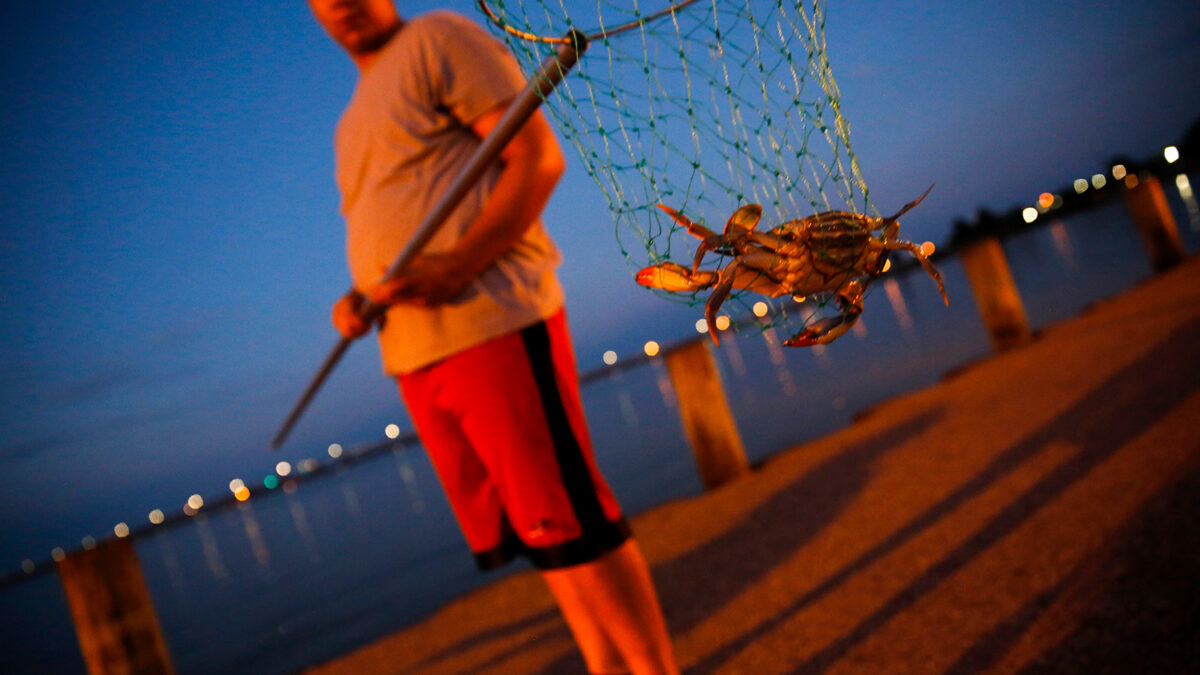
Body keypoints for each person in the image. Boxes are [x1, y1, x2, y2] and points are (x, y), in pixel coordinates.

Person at [306, 1, 679, 672]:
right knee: (540, 531)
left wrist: (457, 263)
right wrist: (356, 300)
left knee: (572, 517)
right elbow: (394, 218)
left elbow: (536, 159)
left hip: (490, 319)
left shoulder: (437, 38)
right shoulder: (346, 119)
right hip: (414, 351)